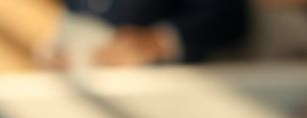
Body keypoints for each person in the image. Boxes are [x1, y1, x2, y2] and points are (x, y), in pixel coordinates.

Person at [47, 0, 251, 68]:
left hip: (166, 98)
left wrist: (160, 41)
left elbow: (230, 16)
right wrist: (51, 49)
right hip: (85, 94)